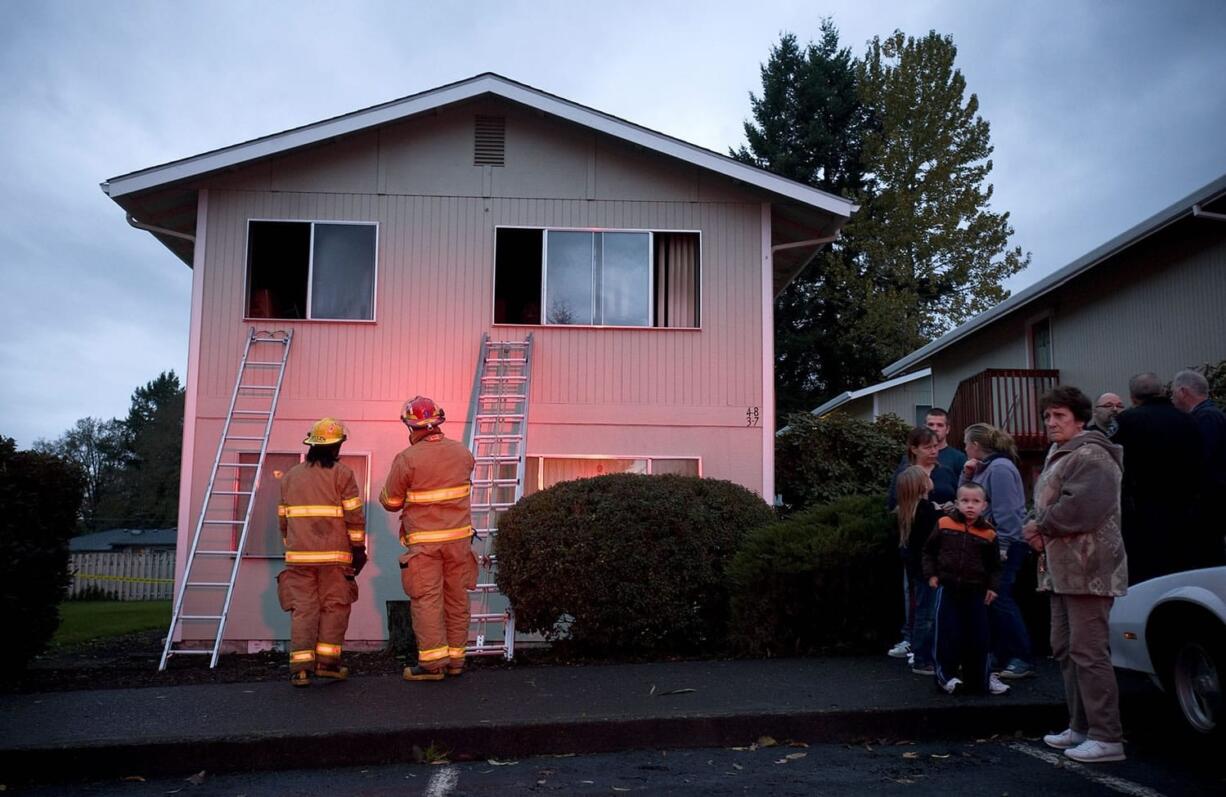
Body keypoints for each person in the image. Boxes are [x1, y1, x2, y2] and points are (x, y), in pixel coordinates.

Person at [1024, 385, 1127, 764]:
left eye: (1059, 416)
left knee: (1089, 651)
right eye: (1048, 416)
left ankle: (1106, 735)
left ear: (1079, 418)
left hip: (1090, 569)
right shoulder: (1061, 453)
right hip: (1061, 569)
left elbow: (1081, 508)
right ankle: (1081, 726)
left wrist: (1039, 526)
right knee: (1065, 648)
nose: (1051, 423)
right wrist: (1037, 524)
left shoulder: (1092, 455)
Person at [380, 395, 478, 681]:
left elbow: (391, 501)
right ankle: (456, 660)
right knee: (457, 598)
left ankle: (433, 664)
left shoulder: (407, 459)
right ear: (438, 422)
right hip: (459, 542)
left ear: (411, 426)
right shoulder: (462, 453)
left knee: (427, 600)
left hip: (424, 545)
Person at [276, 418, 367, 688]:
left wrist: (292, 545)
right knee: (335, 608)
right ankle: (327, 665)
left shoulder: (291, 476)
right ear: (336, 446)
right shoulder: (342, 474)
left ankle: (300, 670)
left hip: (299, 557)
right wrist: (358, 548)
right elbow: (354, 515)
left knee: (303, 610)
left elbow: (283, 520)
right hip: (335, 557)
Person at [1113, 372, 1204, 582]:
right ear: (1163, 391)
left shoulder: (1126, 422)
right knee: (1179, 574)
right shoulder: (1188, 420)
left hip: (1141, 515)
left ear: (1133, 397)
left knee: (1145, 578)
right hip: (1185, 511)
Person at [961, 423, 1035, 679]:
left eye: (966, 443)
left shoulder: (1000, 469)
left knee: (1000, 598)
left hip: (1004, 544)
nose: (965, 448)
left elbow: (1009, 512)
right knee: (991, 600)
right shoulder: (984, 469)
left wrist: (1003, 546)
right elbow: (965, 498)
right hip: (986, 542)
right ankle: (1002, 654)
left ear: (976, 445)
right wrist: (967, 475)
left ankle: (1021, 657)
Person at [922, 482, 1008, 696]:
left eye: (976, 501)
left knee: (979, 635)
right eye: (965, 501)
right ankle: (945, 677)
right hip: (948, 587)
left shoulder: (989, 533)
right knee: (945, 633)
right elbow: (928, 551)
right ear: (958, 502)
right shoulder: (944, 523)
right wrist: (931, 574)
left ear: (984, 505)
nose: (970, 506)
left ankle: (981, 678)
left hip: (976, 590)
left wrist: (993, 587)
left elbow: (995, 566)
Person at [886, 427, 959, 659]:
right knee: (922, 600)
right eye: (928, 447)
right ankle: (919, 648)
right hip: (922, 552)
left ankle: (926, 648)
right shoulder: (905, 474)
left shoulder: (946, 472)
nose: (934, 451)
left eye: (936, 445)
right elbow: (893, 506)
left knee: (930, 600)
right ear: (914, 449)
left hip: (935, 551)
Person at [1171, 369, 1226, 566]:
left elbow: (1199, 458)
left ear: (1183, 392)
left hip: (1209, 501)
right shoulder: (1211, 414)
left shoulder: (1206, 418)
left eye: (1173, 393)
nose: (1173, 399)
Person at [895, 466, 940, 675]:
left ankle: (920, 654)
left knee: (922, 612)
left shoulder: (907, 512)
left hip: (917, 571)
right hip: (929, 571)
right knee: (928, 615)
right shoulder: (927, 510)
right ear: (922, 485)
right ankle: (924, 658)